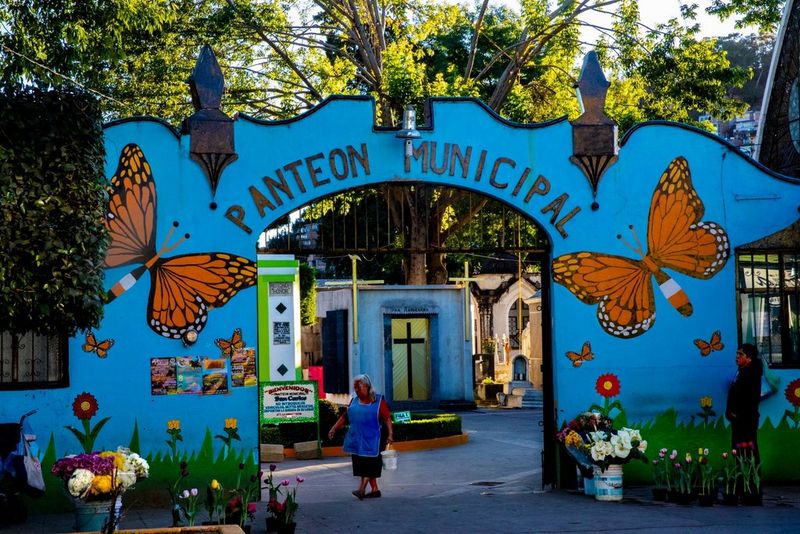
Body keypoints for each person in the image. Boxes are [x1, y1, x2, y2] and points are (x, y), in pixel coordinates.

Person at [328, 374, 393, 500]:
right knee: (362, 463)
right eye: (355, 387)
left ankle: (361, 489)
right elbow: (345, 417)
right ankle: (375, 490)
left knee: (370, 463)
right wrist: (334, 428)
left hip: (375, 438)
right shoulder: (354, 400)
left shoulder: (378, 401)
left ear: (367, 386)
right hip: (358, 439)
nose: (356, 390)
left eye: (359, 387)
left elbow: (387, 418)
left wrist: (390, 434)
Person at [725, 343, 763, 464]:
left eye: (740, 354)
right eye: (737, 353)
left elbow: (748, 399)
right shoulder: (742, 371)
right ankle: (743, 474)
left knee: (747, 450)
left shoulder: (750, 374)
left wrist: (737, 414)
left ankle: (750, 475)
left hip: (745, 420)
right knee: (740, 450)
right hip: (740, 420)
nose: (737, 356)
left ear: (749, 358)